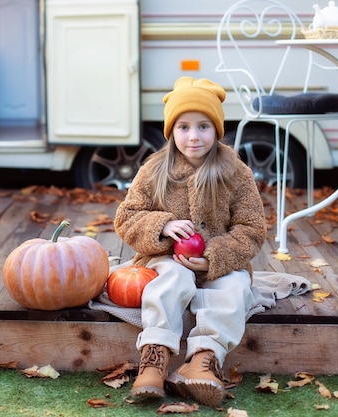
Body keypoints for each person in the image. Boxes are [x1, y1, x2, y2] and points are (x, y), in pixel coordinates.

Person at [113, 76, 267, 407]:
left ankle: (203, 359)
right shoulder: (154, 170)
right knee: (171, 279)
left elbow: (252, 227)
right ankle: (154, 357)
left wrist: (215, 258)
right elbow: (126, 218)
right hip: (166, 258)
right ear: (172, 131)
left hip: (220, 260)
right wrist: (163, 225)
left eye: (203, 127)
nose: (193, 136)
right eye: (183, 127)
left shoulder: (235, 173)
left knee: (235, 288)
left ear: (216, 130)